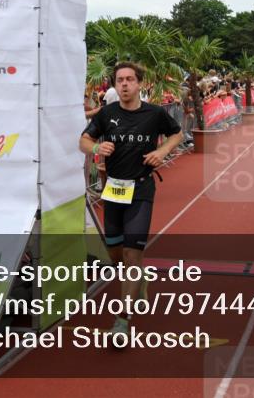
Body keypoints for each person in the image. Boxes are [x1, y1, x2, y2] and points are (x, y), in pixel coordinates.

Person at [79, 62, 182, 342]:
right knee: (115, 255)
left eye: (129, 80)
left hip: (141, 190)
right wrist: (97, 147)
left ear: (139, 84)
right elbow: (84, 140)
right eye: (119, 80)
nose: (123, 84)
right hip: (113, 191)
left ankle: (122, 319)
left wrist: (163, 150)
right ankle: (139, 279)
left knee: (132, 255)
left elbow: (177, 133)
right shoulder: (107, 113)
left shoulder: (155, 113)